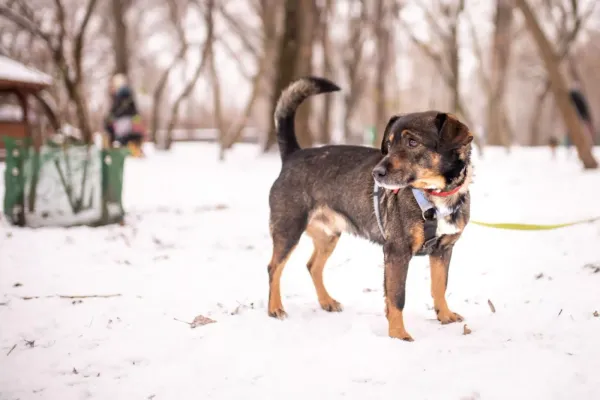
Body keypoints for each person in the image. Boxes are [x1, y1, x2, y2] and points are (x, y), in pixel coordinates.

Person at [104, 74, 146, 157]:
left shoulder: (123, 92)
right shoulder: (122, 93)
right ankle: (132, 151)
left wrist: (113, 114)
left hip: (124, 118)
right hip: (125, 118)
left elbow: (119, 107)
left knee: (124, 136)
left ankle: (131, 152)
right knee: (124, 136)